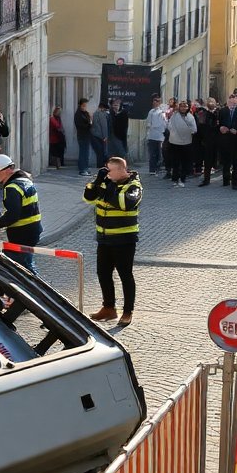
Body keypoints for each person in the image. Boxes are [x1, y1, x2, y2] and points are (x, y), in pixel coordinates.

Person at [83, 157, 142, 326]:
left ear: (121, 170)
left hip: (124, 239)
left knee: (125, 275)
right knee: (103, 273)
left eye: (110, 171)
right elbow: (88, 197)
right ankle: (108, 308)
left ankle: (128, 311)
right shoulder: (105, 183)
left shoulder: (133, 186)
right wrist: (97, 181)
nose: (107, 174)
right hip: (104, 238)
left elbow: (124, 203)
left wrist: (106, 188)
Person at [0, 154, 42, 273]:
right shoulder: (25, 181)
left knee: (18, 268)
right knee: (26, 265)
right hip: (32, 230)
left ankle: (34, 284)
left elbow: (12, 216)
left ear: (6, 170)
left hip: (22, 234)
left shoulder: (12, 188)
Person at [165, 100, 196, 186]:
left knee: (185, 161)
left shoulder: (190, 117)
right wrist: (175, 132)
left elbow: (194, 129)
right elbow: (169, 126)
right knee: (175, 161)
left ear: (187, 107)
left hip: (186, 142)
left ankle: (183, 177)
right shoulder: (174, 116)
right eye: (181, 106)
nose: (183, 108)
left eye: (185, 106)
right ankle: (175, 177)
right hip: (175, 142)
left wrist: (188, 131)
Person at [144, 94, 167, 176]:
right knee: (152, 154)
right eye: (154, 101)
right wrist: (149, 130)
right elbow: (148, 123)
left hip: (160, 136)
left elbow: (165, 123)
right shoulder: (151, 112)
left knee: (159, 154)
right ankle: (152, 169)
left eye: (157, 101)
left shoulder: (163, 112)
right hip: (152, 135)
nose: (155, 102)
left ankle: (158, 168)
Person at [74, 99, 94, 175]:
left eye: (85, 105)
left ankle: (85, 167)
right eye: (83, 105)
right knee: (83, 152)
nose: (85, 107)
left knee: (86, 153)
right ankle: (82, 169)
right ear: (80, 105)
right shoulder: (78, 114)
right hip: (82, 135)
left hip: (87, 135)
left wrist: (90, 120)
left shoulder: (85, 113)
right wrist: (90, 123)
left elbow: (89, 121)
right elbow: (81, 125)